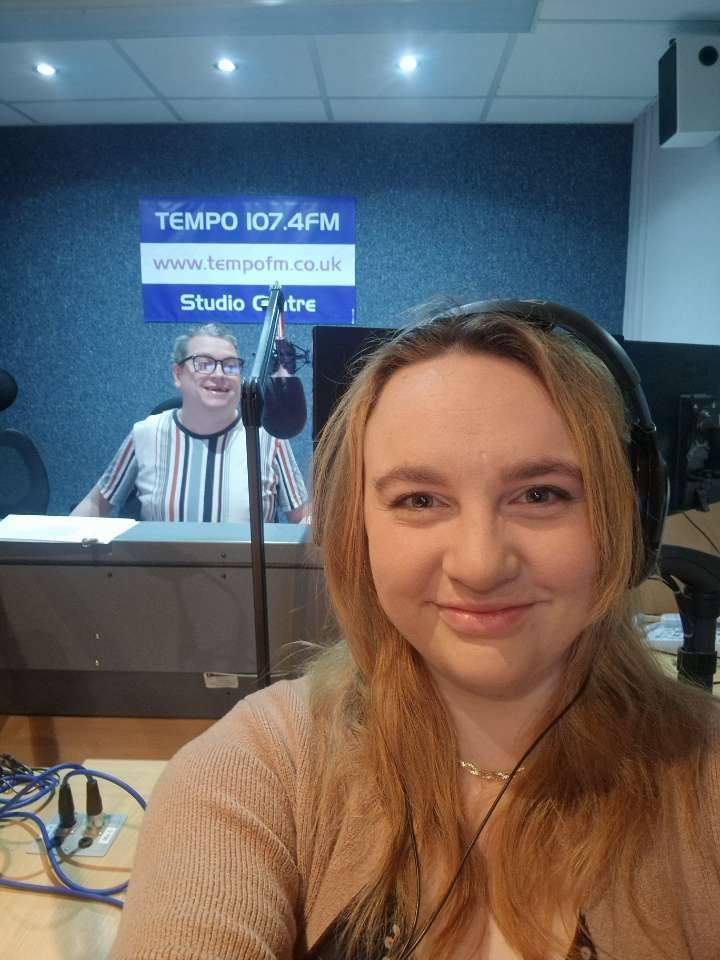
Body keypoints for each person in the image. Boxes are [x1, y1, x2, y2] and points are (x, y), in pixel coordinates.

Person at [109, 303, 720, 960]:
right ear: (358, 530)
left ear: (627, 518)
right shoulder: (254, 772)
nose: (480, 566)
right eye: (420, 500)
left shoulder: (704, 778)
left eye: (541, 494)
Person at [71, 323, 308, 523]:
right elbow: (95, 504)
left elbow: (303, 517)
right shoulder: (146, 433)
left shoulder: (267, 437)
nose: (219, 374)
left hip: (249, 566)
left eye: (230, 365)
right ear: (178, 374)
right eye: (204, 364)